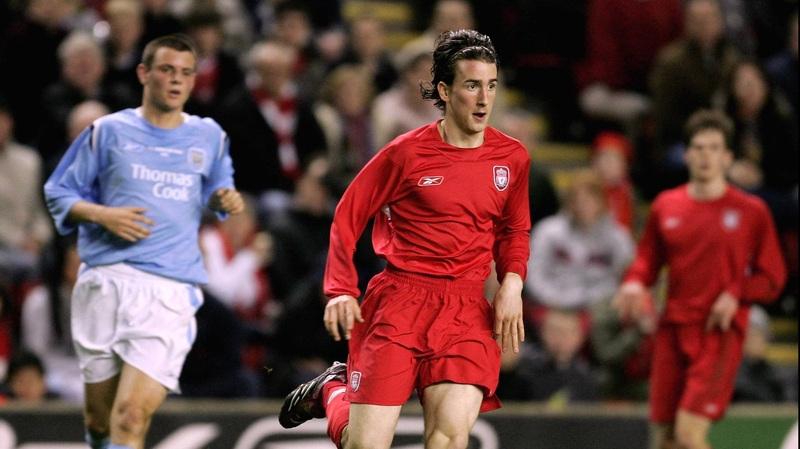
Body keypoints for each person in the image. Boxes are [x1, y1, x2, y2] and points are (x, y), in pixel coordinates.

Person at [278, 30, 531, 449]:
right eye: (472, 86)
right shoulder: (406, 153)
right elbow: (348, 213)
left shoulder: (512, 157)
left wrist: (513, 283)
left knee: (450, 439)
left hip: (467, 311)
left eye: (491, 85)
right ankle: (333, 390)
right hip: (401, 302)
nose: (485, 99)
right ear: (446, 91)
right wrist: (340, 289)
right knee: (365, 446)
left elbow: (513, 229)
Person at [43, 34, 244, 449]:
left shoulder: (208, 136)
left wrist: (224, 196)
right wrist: (102, 214)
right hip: (105, 282)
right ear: (143, 73)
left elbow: (219, 186)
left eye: (186, 73)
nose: (176, 80)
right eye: (167, 70)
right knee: (100, 420)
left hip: (169, 290)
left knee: (132, 416)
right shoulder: (107, 131)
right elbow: (59, 192)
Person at [612, 109, 787, 449]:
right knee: (664, 439)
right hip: (672, 329)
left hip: (718, 333)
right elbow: (648, 259)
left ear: (728, 157)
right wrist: (634, 281)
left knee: (689, 436)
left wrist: (736, 292)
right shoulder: (667, 206)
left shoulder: (752, 212)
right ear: (687, 153)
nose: (705, 155)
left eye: (714, 148)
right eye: (698, 147)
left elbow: (773, 278)